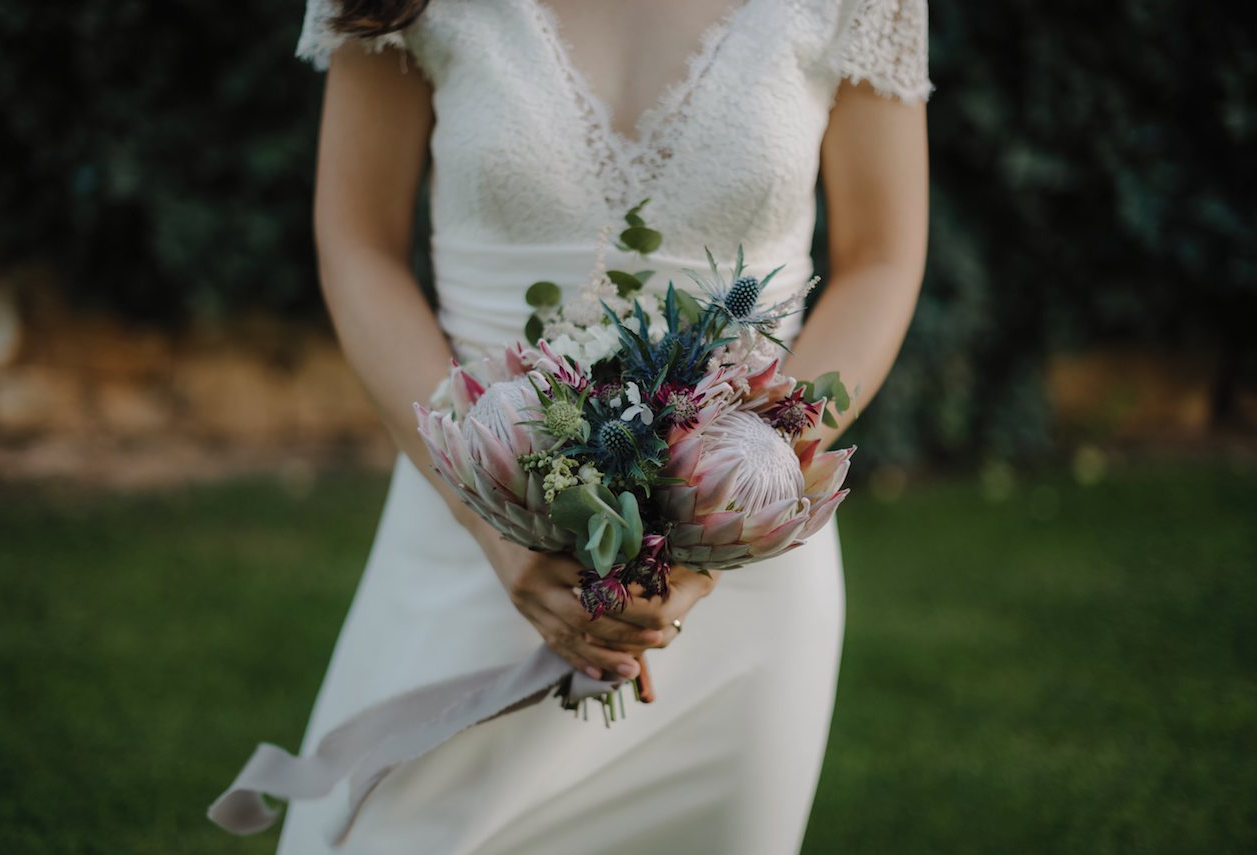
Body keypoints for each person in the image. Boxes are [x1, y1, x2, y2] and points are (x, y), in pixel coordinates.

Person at [278, 0, 930, 851]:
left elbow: (882, 257)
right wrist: (495, 525)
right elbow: (356, 240)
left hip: (736, 587)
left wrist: (722, 513)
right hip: (466, 546)